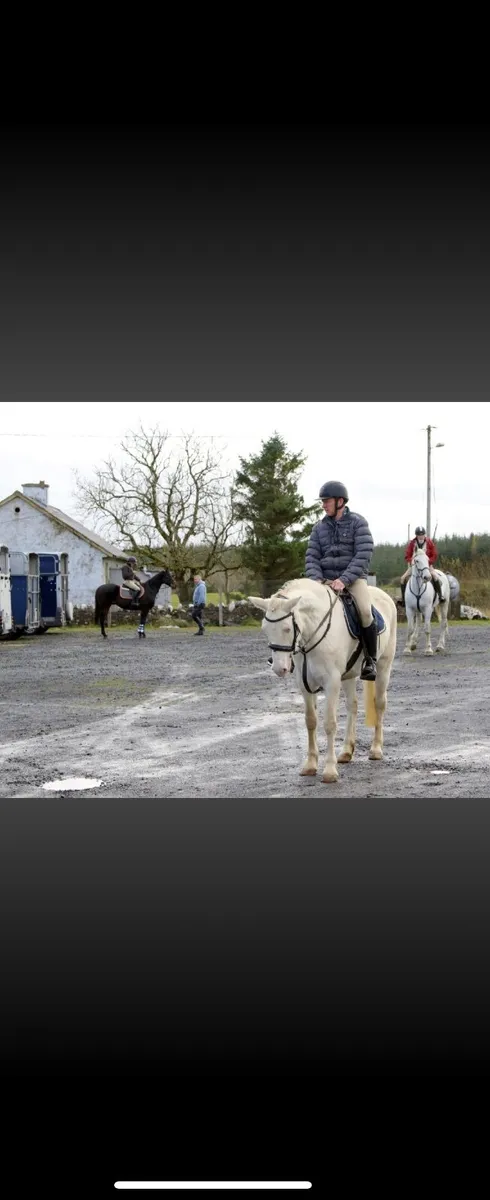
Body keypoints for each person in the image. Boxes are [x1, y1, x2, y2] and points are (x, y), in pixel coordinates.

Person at [305, 480, 378, 681]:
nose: (323, 505)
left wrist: (344, 580)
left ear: (340, 501)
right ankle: (294, 656)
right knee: (301, 607)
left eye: (326, 501)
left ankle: (370, 660)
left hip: (353, 580)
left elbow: (363, 554)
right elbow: (312, 557)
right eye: (322, 501)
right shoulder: (318, 528)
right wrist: (316, 579)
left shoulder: (358, 523)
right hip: (324, 581)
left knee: (365, 611)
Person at [400, 526, 442, 602]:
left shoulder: (429, 542)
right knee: (402, 578)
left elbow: (434, 554)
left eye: (422, 534)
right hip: (414, 566)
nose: (421, 536)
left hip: (427, 566)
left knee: (435, 577)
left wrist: (428, 562)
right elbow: (407, 555)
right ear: (416, 535)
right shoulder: (412, 543)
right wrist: (412, 561)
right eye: (419, 535)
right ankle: (403, 599)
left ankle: (440, 596)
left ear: (424, 535)